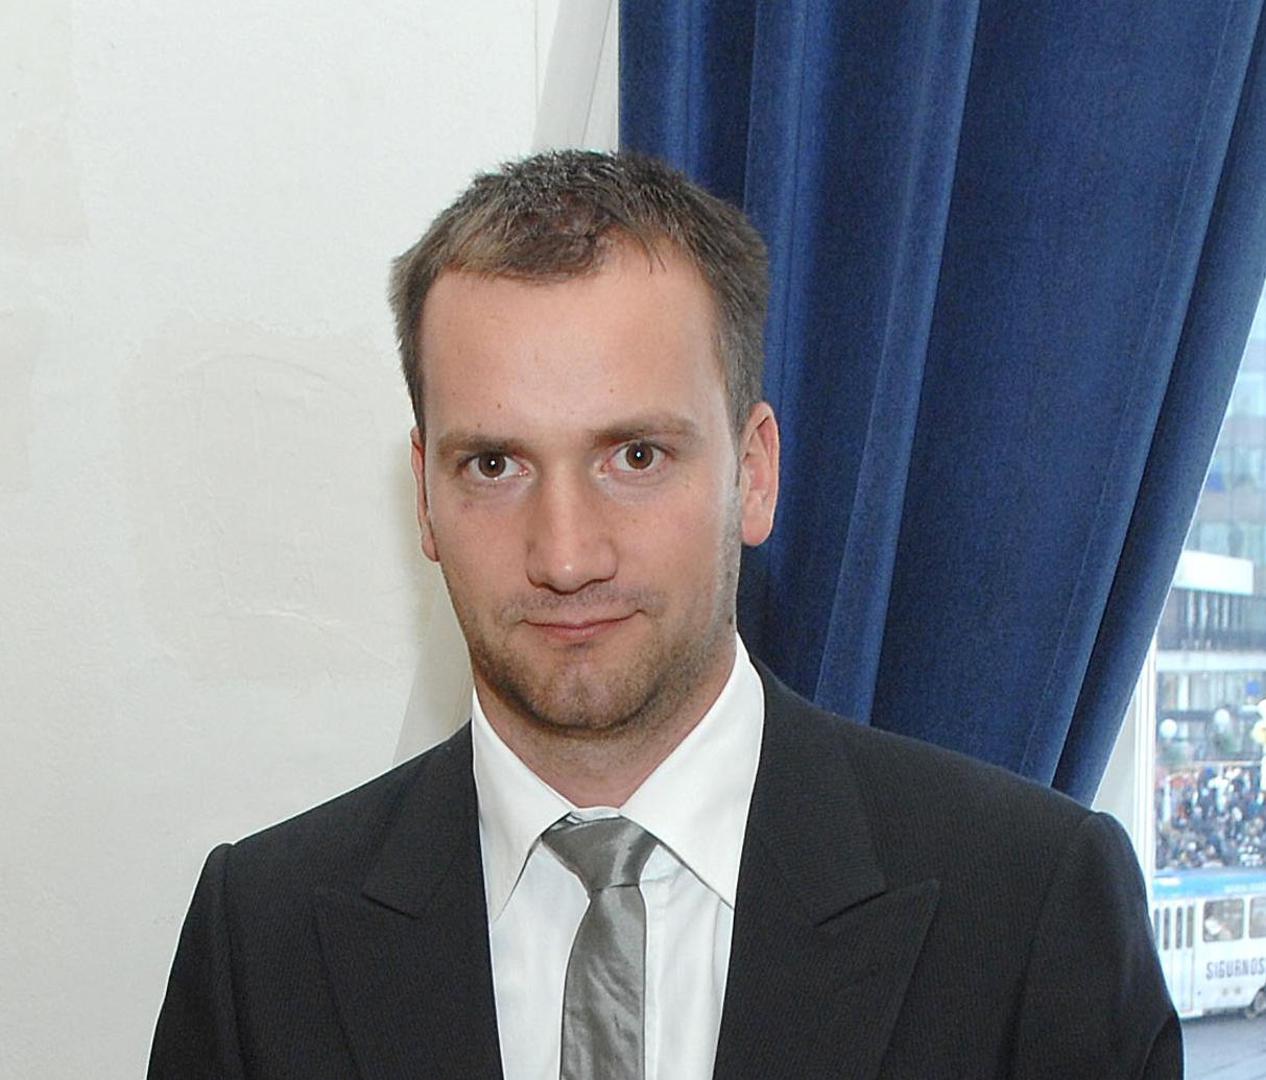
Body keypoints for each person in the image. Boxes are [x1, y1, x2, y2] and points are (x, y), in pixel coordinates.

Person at [149, 149, 1181, 1079]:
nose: (565, 557)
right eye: (496, 465)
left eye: (635, 456)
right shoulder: (261, 940)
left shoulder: (1030, 910)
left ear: (755, 473)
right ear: (424, 495)